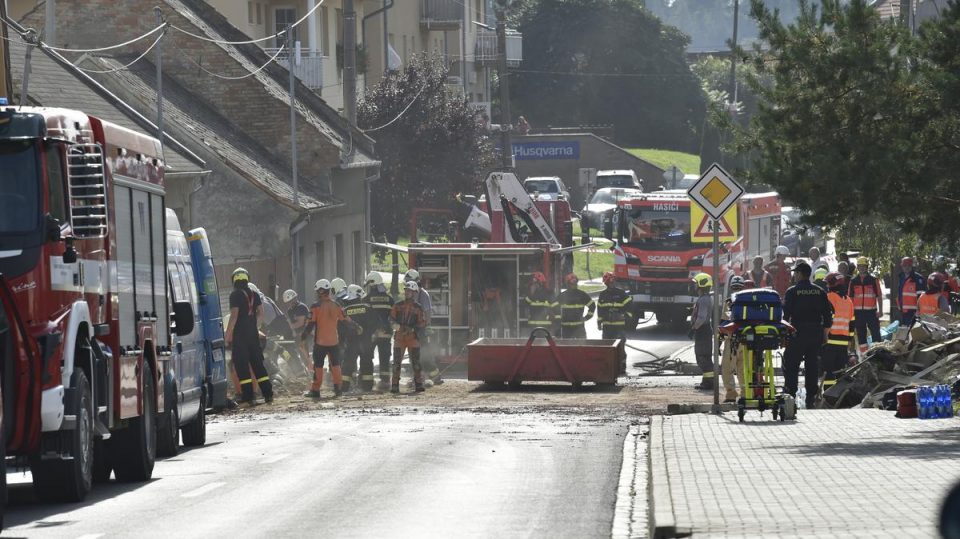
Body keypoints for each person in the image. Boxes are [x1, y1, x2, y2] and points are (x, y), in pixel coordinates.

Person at [782, 261, 833, 409]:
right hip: (815, 333)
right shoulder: (820, 292)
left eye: (795, 273)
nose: (794, 276)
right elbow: (828, 317)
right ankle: (810, 398)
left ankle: (790, 396)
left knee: (791, 365)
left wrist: (784, 334)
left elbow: (785, 315)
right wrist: (824, 335)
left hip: (797, 333)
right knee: (812, 366)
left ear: (799, 274)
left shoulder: (792, 291)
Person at [224, 268, 274, 406]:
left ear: (234, 280)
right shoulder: (254, 294)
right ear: (247, 279)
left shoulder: (235, 295)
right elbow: (261, 314)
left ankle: (248, 396)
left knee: (242, 366)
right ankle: (268, 394)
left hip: (240, 336)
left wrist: (227, 336)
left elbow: (234, 317)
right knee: (258, 365)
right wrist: (254, 327)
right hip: (253, 335)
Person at [301, 279, 354, 399]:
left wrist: (303, 336)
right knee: (336, 365)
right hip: (334, 342)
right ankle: (338, 390)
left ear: (320, 291)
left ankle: (315, 390)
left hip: (320, 343)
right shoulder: (337, 305)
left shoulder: (315, 306)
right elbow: (346, 319)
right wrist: (357, 326)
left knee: (318, 366)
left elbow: (310, 325)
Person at [404, 269, 443, 385]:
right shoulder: (410, 295)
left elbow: (427, 311)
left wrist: (427, 326)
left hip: (421, 329)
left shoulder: (423, 294)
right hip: (411, 329)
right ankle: (417, 378)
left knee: (424, 355)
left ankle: (436, 377)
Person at [390, 281, 428, 393]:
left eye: (409, 291)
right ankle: (395, 385)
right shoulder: (397, 305)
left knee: (416, 362)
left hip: (412, 338)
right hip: (399, 337)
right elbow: (391, 318)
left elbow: (422, 322)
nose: (407, 292)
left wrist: (413, 328)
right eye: (406, 290)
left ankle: (419, 384)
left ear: (414, 293)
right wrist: (395, 325)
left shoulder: (418, 308)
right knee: (396, 363)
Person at [342, 284, 377, 392]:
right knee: (366, 363)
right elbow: (375, 324)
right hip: (366, 342)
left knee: (348, 364)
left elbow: (341, 328)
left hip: (351, 343)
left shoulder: (345, 311)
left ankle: (344, 387)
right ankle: (367, 387)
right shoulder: (367, 308)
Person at [822, 272, 854, 392]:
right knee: (840, 372)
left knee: (829, 371)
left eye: (828, 284)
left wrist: (824, 337)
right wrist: (850, 340)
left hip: (831, 341)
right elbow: (852, 322)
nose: (827, 286)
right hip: (844, 343)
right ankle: (839, 395)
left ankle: (828, 394)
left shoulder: (830, 297)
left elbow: (828, 319)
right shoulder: (848, 301)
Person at [364, 272, 395, 391]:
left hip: (371, 333)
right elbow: (393, 317)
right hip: (386, 333)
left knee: (367, 356)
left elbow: (364, 317)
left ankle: (367, 382)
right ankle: (385, 382)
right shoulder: (389, 299)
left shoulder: (366, 299)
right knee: (385, 357)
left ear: (372, 284)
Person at [848, 256, 883, 356]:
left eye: (864, 266)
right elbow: (850, 298)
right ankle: (864, 357)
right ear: (857, 267)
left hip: (872, 313)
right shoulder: (853, 281)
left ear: (867, 267)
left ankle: (878, 355)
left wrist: (880, 311)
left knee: (876, 335)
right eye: (860, 266)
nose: (862, 268)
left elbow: (879, 296)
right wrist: (851, 313)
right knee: (861, 336)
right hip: (858, 313)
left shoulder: (873, 280)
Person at [721, 275, 746, 402]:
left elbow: (723, 322)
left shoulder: (728, 302)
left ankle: (732, 394)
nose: (736, 290)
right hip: (746, 341)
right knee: (743, 369)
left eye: (737, 288)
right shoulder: (749, 301)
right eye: (735, 287)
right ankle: (744, 394)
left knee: (727, 367)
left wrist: (720, 340)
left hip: (733, 341)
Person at [689, 273, 716, 391]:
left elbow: (701, 317)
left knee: (703, 356)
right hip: (703, 330)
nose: (694, 286)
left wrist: (694, 328)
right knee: (702, 357)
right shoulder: (704, 298)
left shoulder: (704, 300)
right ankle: (706, 382)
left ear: (702, 284)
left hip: (703, 331)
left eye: (696, 284)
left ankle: (709, 383)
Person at [282, 288, 312, 373]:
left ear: (295, 299)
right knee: (298, 351)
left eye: (291, 301)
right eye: (288, 303)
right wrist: (292, 331)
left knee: (304, 353)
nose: (289, 304)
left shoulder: (301, 307)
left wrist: (290, 327)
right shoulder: (290, 310)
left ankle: (311, 370)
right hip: (298, 334)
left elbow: (300, 323)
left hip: (305, 333)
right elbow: (292, 323)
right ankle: (303, 370)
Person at [557, 273, 595, 339]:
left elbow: (592, 305)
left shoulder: (582, 295)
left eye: (575, 283)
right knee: (567, 348)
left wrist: (586, 317)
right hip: (566, 328)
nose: (574, 285)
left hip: (579, 328)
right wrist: (558, 320)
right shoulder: (562, 296)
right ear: (567, 284)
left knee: (581, 347)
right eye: (572, 284)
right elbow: (554, 308)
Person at [597, 272, 632, 339]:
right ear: (606, 283)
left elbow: (630, 306)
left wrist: (626, 316)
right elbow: (600, 310)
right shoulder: (602, 295)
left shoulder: (621, 293)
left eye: (613, 282)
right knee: (607, 347)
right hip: (607, 327)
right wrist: (599, 322)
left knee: (619, 347)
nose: (611, 284)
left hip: (619, 327)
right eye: (609, 283)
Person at [896, 257, 925, 326]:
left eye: (908, 265)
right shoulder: (901, 277)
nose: (906, 267)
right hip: (903, 311)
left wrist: (919, 311)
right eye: (904, 266)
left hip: (914, 312)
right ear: (902, 266)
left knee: (912, 333)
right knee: (905, 332)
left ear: (912, 266)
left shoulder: (918, 278)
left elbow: (921, 297)